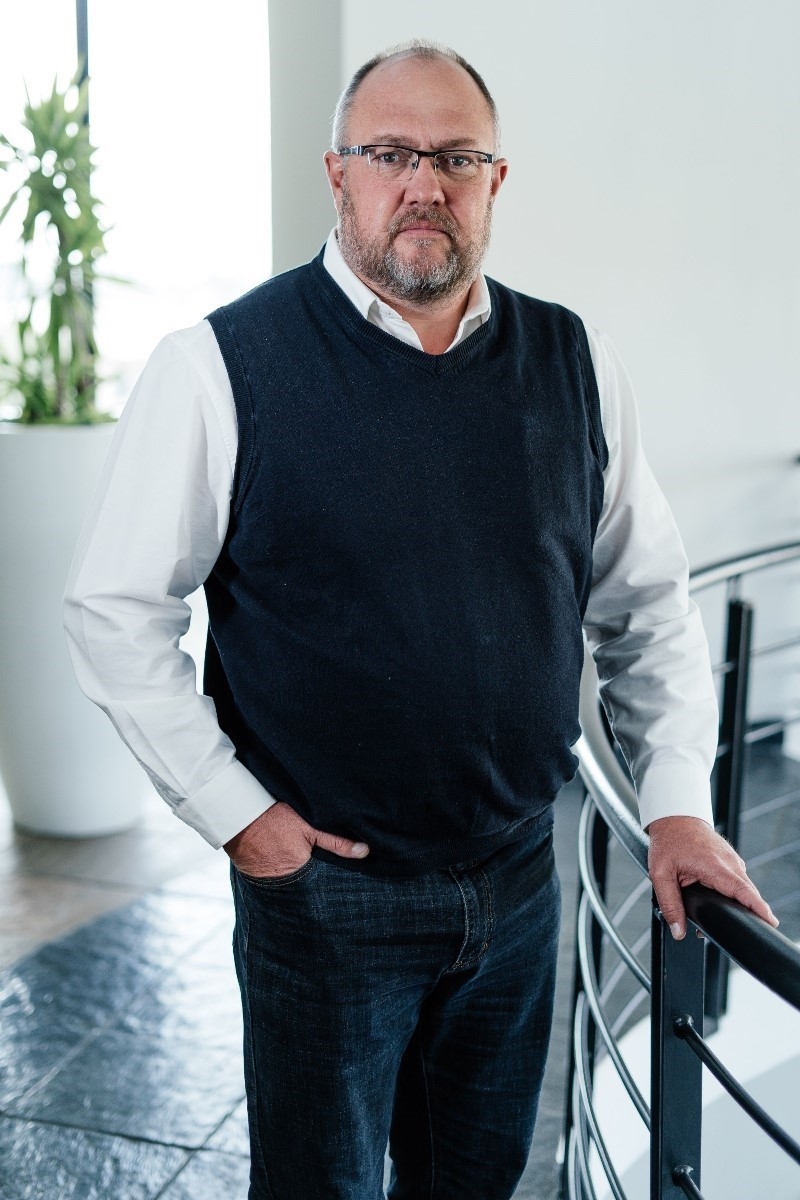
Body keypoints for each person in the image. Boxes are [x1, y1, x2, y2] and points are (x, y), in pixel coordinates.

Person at [63, 39, 777, 1200]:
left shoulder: (574, 362)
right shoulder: (218, 367)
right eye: (390, 153)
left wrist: (675, 806)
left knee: (473, 1184)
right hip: (324, 897)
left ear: (495, 181)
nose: (423, 184)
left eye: (455, 158)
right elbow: (113, 610)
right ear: (336, 172)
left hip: (517, 881)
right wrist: (241, 819)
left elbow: (645, 605)